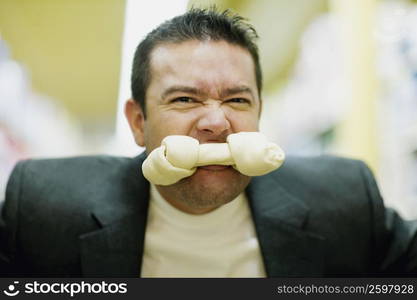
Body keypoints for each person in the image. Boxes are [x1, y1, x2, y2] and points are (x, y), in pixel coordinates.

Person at [1, 8, 416, 278]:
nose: (217, 123)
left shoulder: (342, 198)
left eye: (237, 100)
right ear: (138, 122)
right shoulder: (43, 206)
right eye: (185, 99)